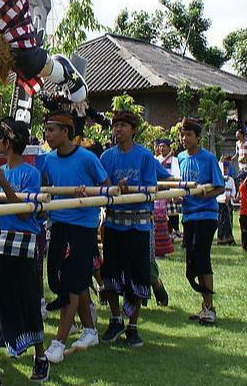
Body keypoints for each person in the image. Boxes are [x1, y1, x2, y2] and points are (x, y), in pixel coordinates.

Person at [0, 118, 48, 385]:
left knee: (26, 300)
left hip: (22, 245)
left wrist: (3, 183)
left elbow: (23, 210)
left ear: (9, 142)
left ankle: (40, 357)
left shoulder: (30, 173)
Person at [40, 110, 107, 364]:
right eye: (46, 130)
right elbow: (43, 185)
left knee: (70, 284)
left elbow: (106, 187)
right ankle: (90, 331)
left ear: (66, 132)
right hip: (59, 224)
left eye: (51, 130)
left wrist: (89, 194)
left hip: (83, 228)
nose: (47, 135)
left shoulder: (87, 158)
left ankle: (58, 343)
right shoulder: (48, 160)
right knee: (63, 281)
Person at [97, 110, 166, 348]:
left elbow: (150, 188)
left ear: (133, 130)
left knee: (138, 275)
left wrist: (130, 188)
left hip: (138, 223)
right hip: (115, 223)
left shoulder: (145, 156)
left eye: (123, 125)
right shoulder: (106, 157)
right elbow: (101, 186)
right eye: (115, 126)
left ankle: (133, 326)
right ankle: (116, 319)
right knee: (111, 274)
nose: (118, 130)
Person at [176, 118, 225, 325]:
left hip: (206, 215)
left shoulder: (209, 159)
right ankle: (203, 305)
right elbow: (181, 186)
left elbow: (220, 187)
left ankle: (210, 307)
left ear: (198, 137)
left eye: (188, 134)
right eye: (182, 134)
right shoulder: (180, 158)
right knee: (192, 260)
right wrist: (181, 195)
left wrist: (203, 194)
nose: (184, 138)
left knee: (203, 258)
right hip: (188, 216)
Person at [154, 138, 181, 240]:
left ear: (168, 147)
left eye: (164, 146)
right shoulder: (156, 159)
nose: (161, 148)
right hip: (160, 189)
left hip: (171, 188)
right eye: (160, 146)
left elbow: (176, 174)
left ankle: (172, 233)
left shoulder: (174, 160)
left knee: (172, 214)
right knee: (160, 214)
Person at [216, 164, 236, 246]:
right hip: (220, 203)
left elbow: (234, 191)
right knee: (221, 221)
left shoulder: (230, 180)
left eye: (226, 168)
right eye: (223, 168)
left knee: (228, 221)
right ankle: (221, 239)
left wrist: (229, 197)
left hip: (228, 203)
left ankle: (228, 239)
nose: (225, 169)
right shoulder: (218, 178)